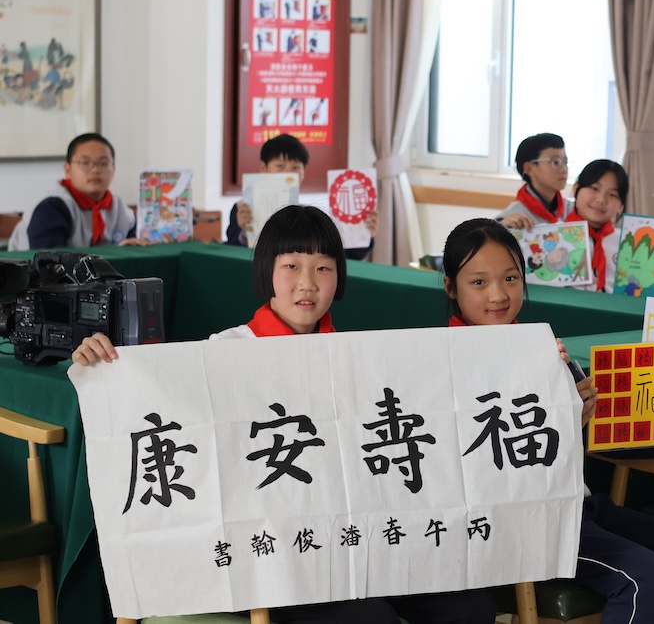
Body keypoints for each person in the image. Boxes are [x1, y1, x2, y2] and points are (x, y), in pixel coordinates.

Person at [72, 205, 496, 624]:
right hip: (267, 556)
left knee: (469, 607)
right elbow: (161, 410)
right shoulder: (224, 353)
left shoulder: (353, 357)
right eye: (291, 266)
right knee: (370, 619)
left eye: (323, 268)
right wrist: (102, 365)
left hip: (353, 545)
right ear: (266, 272)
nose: (307, 283)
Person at [442, 217, 654, 624]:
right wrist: (563, 427)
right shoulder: (440, 365)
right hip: (514, 523)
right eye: (479, 282)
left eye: (510, 278)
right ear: (451, 287)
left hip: (578, 509)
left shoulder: (547, 353)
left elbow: (612, 440)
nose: (498, 294)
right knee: (648, 579)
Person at [226, 133, 378, 259]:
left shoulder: (311, 217)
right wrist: (242, 230)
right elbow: (232, 253)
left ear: (303, 172)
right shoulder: (243, 209)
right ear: (263, 168)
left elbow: (345, 257)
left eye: (295, 167)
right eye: (280, 166)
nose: (288, 173)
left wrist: (363, 234)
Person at [9, 133, 148, 250]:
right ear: (68, 170)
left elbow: (136, 244)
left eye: (103, 163)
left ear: (113, 170)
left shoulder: (120, 208)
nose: (95, 170)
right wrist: (116, 251)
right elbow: (49, 262)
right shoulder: (51, 207)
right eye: (85, 163)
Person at [564, 159, 626, 293]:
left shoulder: (627, 244)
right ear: (576, 189)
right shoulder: (553, 236)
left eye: (612, 194)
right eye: (594, 188)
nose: (601, 200)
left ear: (621, 206)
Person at [497, 133, 573, 229]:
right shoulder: (510, 220)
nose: (564, 170)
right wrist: (501, 227)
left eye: (565, 162)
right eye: (556, 162)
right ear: (529, 169)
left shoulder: (572, 209)